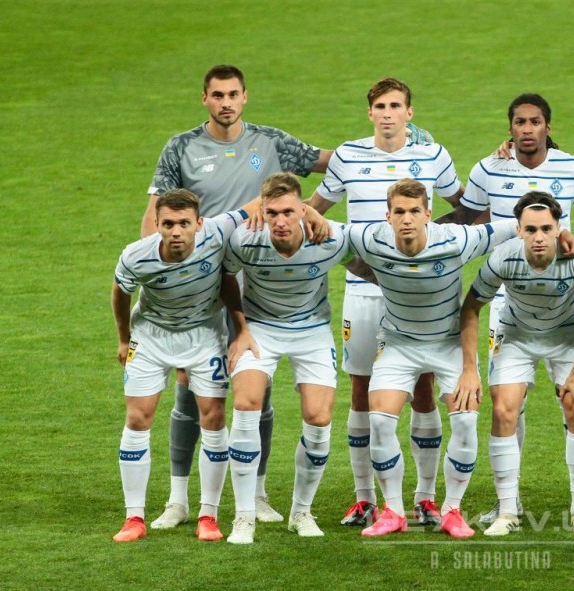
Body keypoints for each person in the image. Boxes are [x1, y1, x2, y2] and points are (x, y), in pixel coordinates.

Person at [142, 64, 331, 528]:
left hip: (255, 280)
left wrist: (402, 143)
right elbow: (156, 213)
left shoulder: (270, 141)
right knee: (191, 389)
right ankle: (178, 500)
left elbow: (331, 161)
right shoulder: (181, 147)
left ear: (245, 96)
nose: (225, 102)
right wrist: (158, 269)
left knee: (255, 391)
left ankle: (258, 493)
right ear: (204, 99)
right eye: (217, 95)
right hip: (202, 282)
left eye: (233, 94)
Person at [343, 179, 574, 539]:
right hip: (398, 343)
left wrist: (564, 233)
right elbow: (324, 230)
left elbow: (513, 226)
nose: (407, 219)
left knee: (466, 421)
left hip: (449, 344)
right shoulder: (371, 237)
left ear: (428, 214)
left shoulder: (456, 239)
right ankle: (393, 511)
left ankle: (452, 510)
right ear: (387, 216)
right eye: (399, 212)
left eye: (415, 211)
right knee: (380, 420)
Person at [306, 78, 466, 528]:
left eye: (396, 106)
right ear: (370, 113)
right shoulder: (348, 156)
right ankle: (365, 499)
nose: (388, 113)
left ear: (409, 113)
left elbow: (469, 207)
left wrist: (427, 246)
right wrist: (350, 257)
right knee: (362, 391)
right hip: (364, 291)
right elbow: (314, 212)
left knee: (422, 386)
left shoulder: (433, 156)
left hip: (417, 291)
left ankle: (425, 498)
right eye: (380, 106)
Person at [459, 93, 574, 524]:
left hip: (567, 326)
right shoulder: (490, 173)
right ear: (509, 128)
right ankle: (507, 508)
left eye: (535, 121)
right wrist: (421, 237)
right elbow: (467, 218)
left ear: (548, 126)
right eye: (520, 122)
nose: (527, 129)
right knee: (506, 406)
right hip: (514, 318)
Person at [220, 173, 369, 544]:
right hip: (260, 329)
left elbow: (363, 265)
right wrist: (240, 328)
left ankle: (301, 511)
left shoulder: (330, 238)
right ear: (263, 211)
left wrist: (403, 290)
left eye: (289, 212)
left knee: (319, 418)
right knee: (246, 403)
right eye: (272, 213)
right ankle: (244, 517)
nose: (281, 221)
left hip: (312, 331)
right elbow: (225, 276)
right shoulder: (245, 239)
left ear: (304, 210)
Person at [111, 189, 260, 542]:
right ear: (157, 224)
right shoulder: (137, 255)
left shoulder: (217, 231)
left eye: (183, 223)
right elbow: (120, 292)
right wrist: (123, 338)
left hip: (204, 334)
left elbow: (260, 203)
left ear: (199, 223)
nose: (176, 231)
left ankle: (208, 515)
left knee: (213, 417)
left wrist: (311, 212)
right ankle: (134, 517)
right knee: (137, 418)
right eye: (168, 224)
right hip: (151, 335)